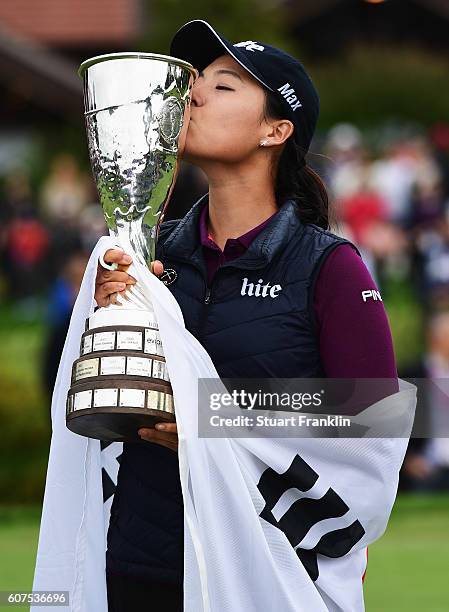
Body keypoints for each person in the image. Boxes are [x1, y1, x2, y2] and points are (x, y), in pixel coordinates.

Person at [94, 20, 398, 612]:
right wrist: (105, 319)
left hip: (266, 573)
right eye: (195, 82)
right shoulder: (146, 258)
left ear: (275, 130)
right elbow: (97, 416)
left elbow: (377, 425)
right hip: (136, 567)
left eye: (224, 86)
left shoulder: (329, 267)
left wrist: (215, 419)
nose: (193, 93)